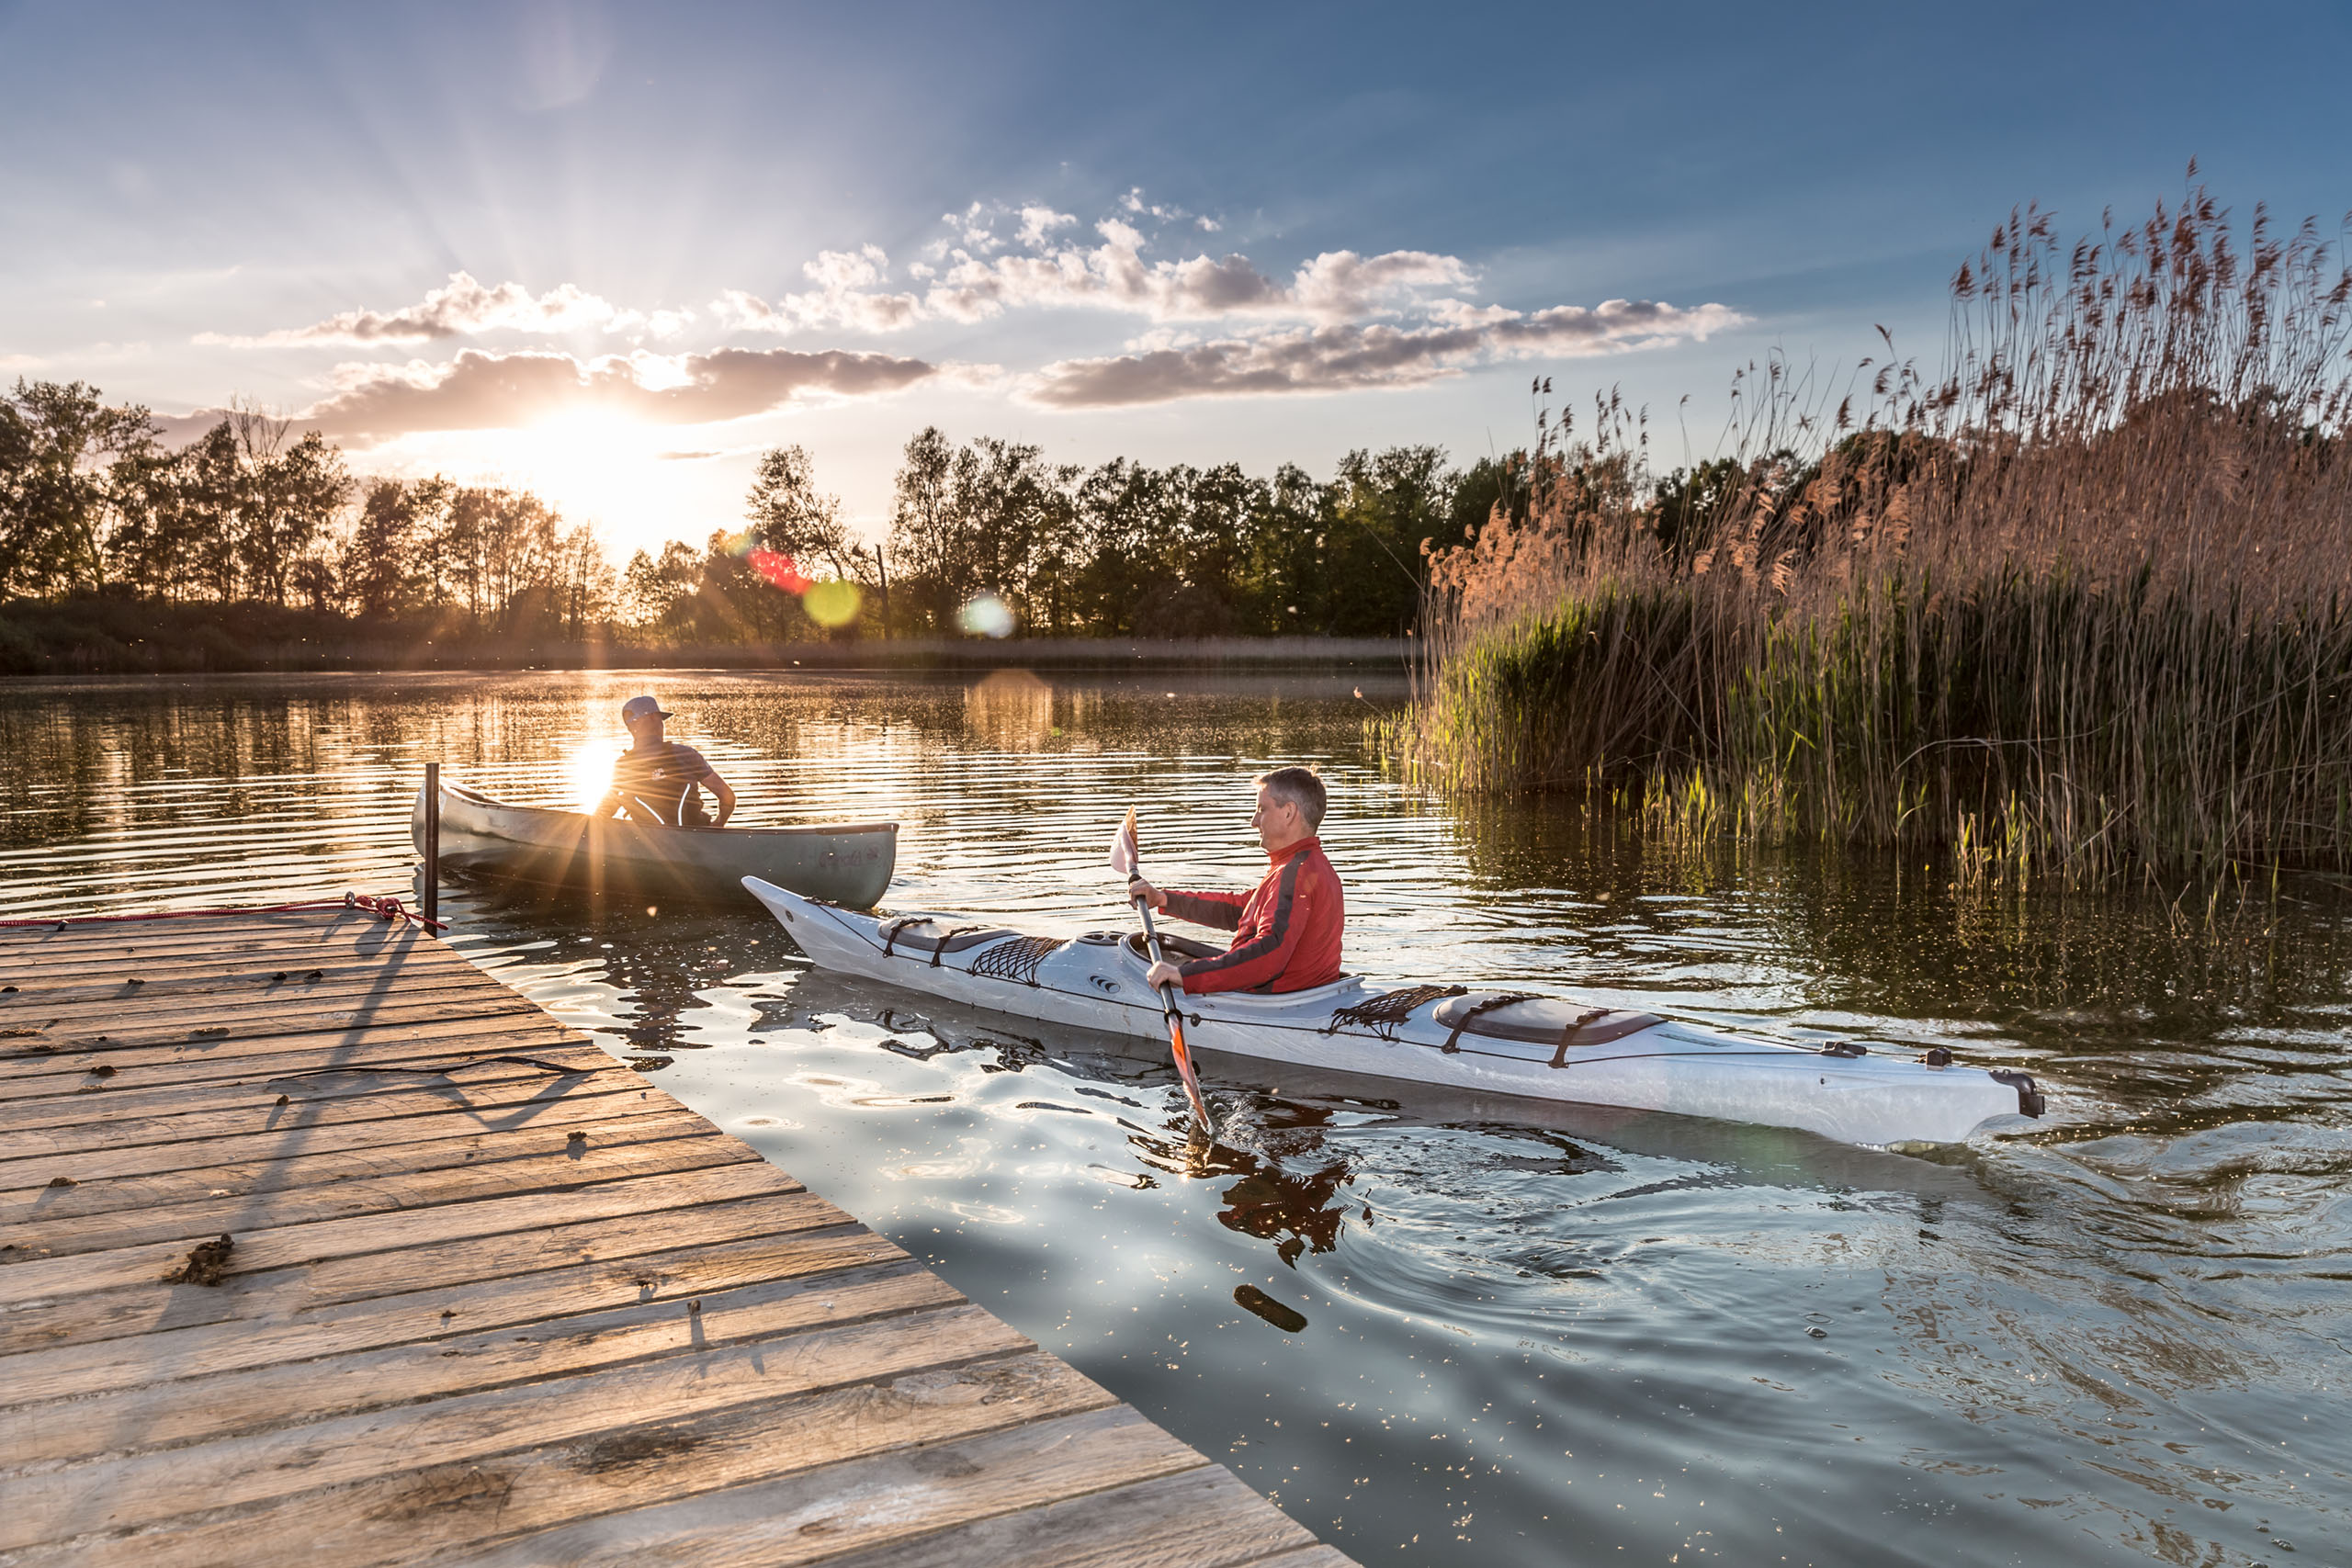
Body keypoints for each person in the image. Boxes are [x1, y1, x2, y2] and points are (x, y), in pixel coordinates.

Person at [1130, 765, 1344, 995]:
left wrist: (1185, 975)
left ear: (1289, 813)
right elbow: (1241, 910)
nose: (1254, 821)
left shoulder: (1295, 873)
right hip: (1308, 996)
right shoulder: (1310, 866)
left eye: (1262, 809)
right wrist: (1164, 899)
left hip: (1277, 1004)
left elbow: (1269, 954)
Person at [600, 694, 737, 828]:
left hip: (649, 842)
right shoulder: (686, 755)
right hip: (695, 836)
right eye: (660, 719)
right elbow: (727, 797)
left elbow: (603, 813)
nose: (662, 724)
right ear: (654, 718)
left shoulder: (624, 766)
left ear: (630, 728)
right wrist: (719, 824)